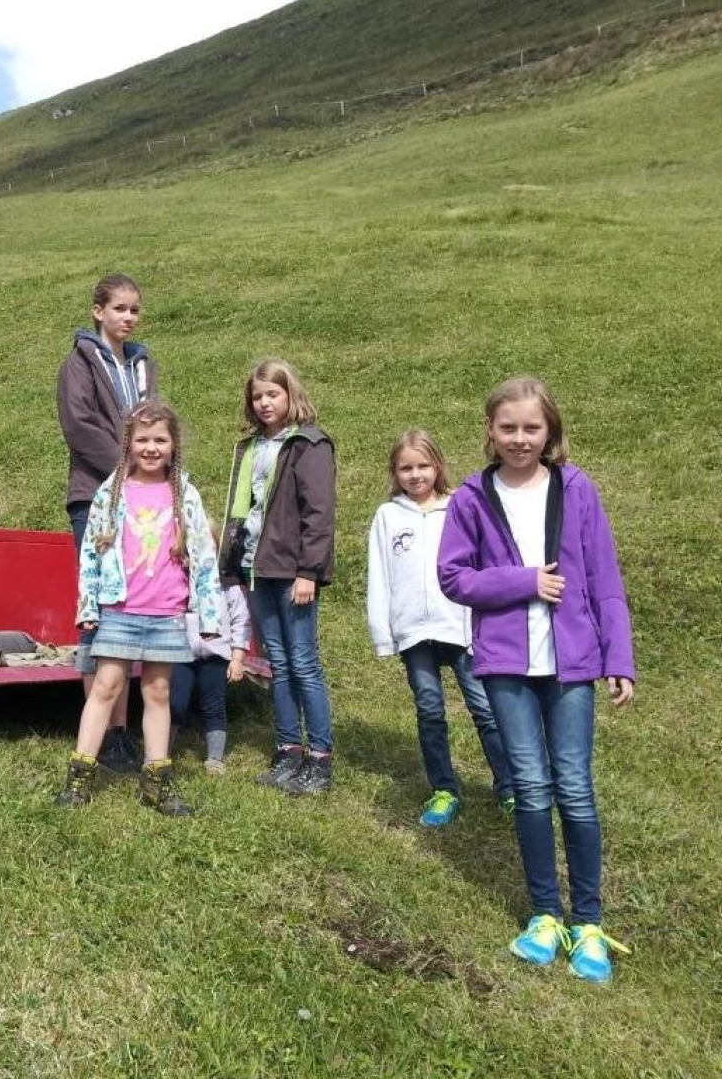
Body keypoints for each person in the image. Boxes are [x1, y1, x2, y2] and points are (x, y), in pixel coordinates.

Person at [438, 376, 635, 984]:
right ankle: (545, 915)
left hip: (572, 664)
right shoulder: (472, 497)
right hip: (506, 666)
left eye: (531, 428)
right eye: (508, 428)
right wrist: (523, 581)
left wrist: (619, 658)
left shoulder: (577, 489)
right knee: (531, 784)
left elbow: (604, 576)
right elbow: (454, 578)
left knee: (573, 786)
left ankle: (590, 922)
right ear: (489, 432)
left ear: (550, 431)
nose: (520, 439)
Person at [53, 400, 223, 816]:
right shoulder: (111, 492)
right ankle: (80, 775)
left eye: (160, 440)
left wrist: (211, 616)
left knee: (158, 691)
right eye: (143, 439)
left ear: (173, 444)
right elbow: (90, 555)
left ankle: (156, 779)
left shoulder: (184, 493)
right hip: (119, 610)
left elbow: (202, 554)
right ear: (128, 444)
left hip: (165, 612)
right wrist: (87, 605)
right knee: (107, 686)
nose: (151, 448)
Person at [366, 429, 514, 826]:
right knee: (430, 710)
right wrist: (384, 634)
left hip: (461, 628)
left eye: (422, 466)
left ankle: (510, 785)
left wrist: (482, 620)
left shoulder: (459, 509)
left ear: (438, 467)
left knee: (484, 709)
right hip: (415, 634)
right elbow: (378, 576)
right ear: (395, 473)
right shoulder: (388, 516)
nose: (415, 475)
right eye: (405, 468)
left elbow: (480, 569)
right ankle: (444, 789)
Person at [218, 359, 336, 795]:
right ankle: (288, 750)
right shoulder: (250, 447)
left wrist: (310, 571)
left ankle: (319, 758)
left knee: (303, 663)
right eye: (257, 396)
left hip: (292, 570)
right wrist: (231, 564)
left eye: (273, 394)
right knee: (278, 664)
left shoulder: (308, 444)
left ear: (290, 395)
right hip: (257, 567)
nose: (265, 402)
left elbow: (319, 514)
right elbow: (240, 509)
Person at [56, 274, 157, 774]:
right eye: (120, 308)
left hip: (140, 502)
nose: (129, 317)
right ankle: (97, 736)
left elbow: (152, 423)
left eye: (134, 309)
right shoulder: (78, 364)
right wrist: (128, 468)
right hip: (94, 496)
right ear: (98, 311)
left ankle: (122, 730)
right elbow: (79, 426)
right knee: (98, 609)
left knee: (128, 605)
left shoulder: (141, 364)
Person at [170, 561, 251, 776]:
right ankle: (161, 754)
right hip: (181, 652)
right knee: (174, 703)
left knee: (213, 705)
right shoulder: (179, 579)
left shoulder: (229, 586)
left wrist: (238, 657)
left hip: (216, 655)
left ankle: (214, 759)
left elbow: (241, 621)